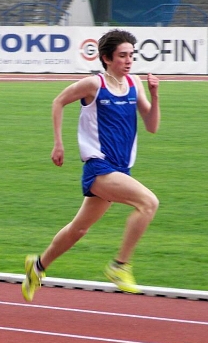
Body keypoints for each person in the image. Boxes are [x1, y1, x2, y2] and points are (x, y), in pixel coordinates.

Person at [22, 29, 161, 301]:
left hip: (121, 169)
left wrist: (155, 95)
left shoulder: (135, 84)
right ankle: (119, 266)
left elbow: (152, 126)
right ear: (107, 58)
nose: (129, 60)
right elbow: (58, 101)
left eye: (132, 55)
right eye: (122, 56)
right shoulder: (93, 84)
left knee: (78, 229)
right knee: (148, 203)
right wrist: (58, 143)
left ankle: (37, 266)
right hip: (99, 168)